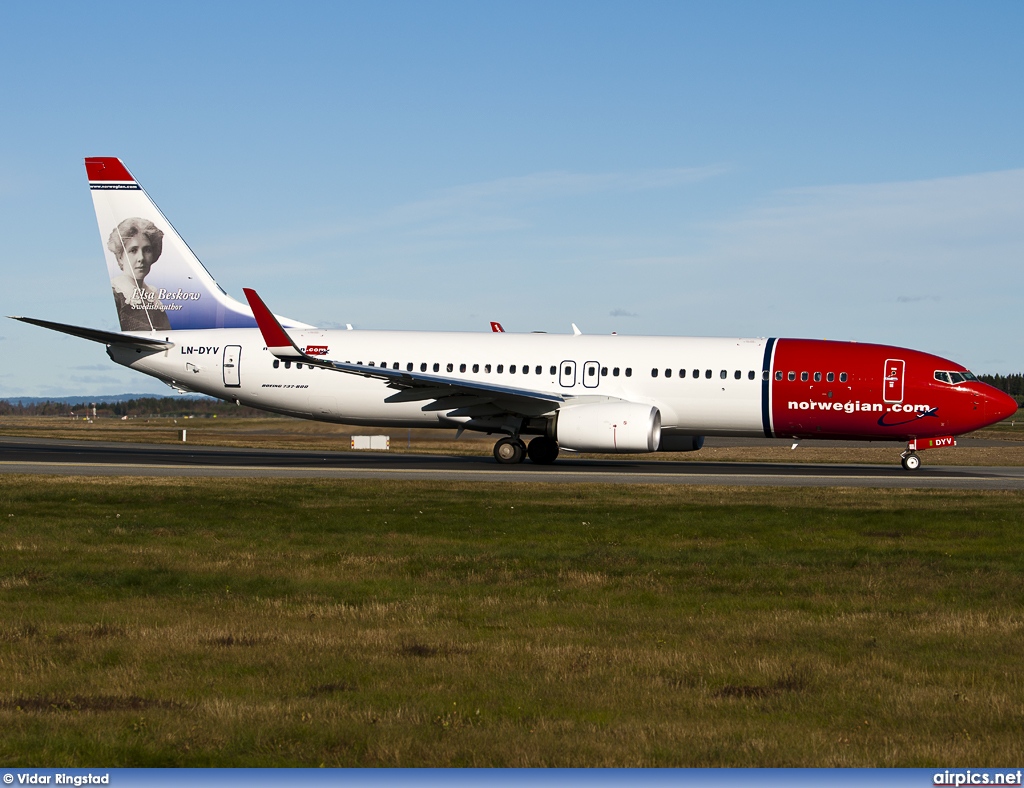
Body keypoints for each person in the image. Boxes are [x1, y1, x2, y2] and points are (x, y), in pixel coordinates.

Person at [107, 217, 172, 331]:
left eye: (147, 250)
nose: (141, 258)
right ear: (120, 257)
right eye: (133, 250)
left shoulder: (154, 298)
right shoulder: (116, 295)